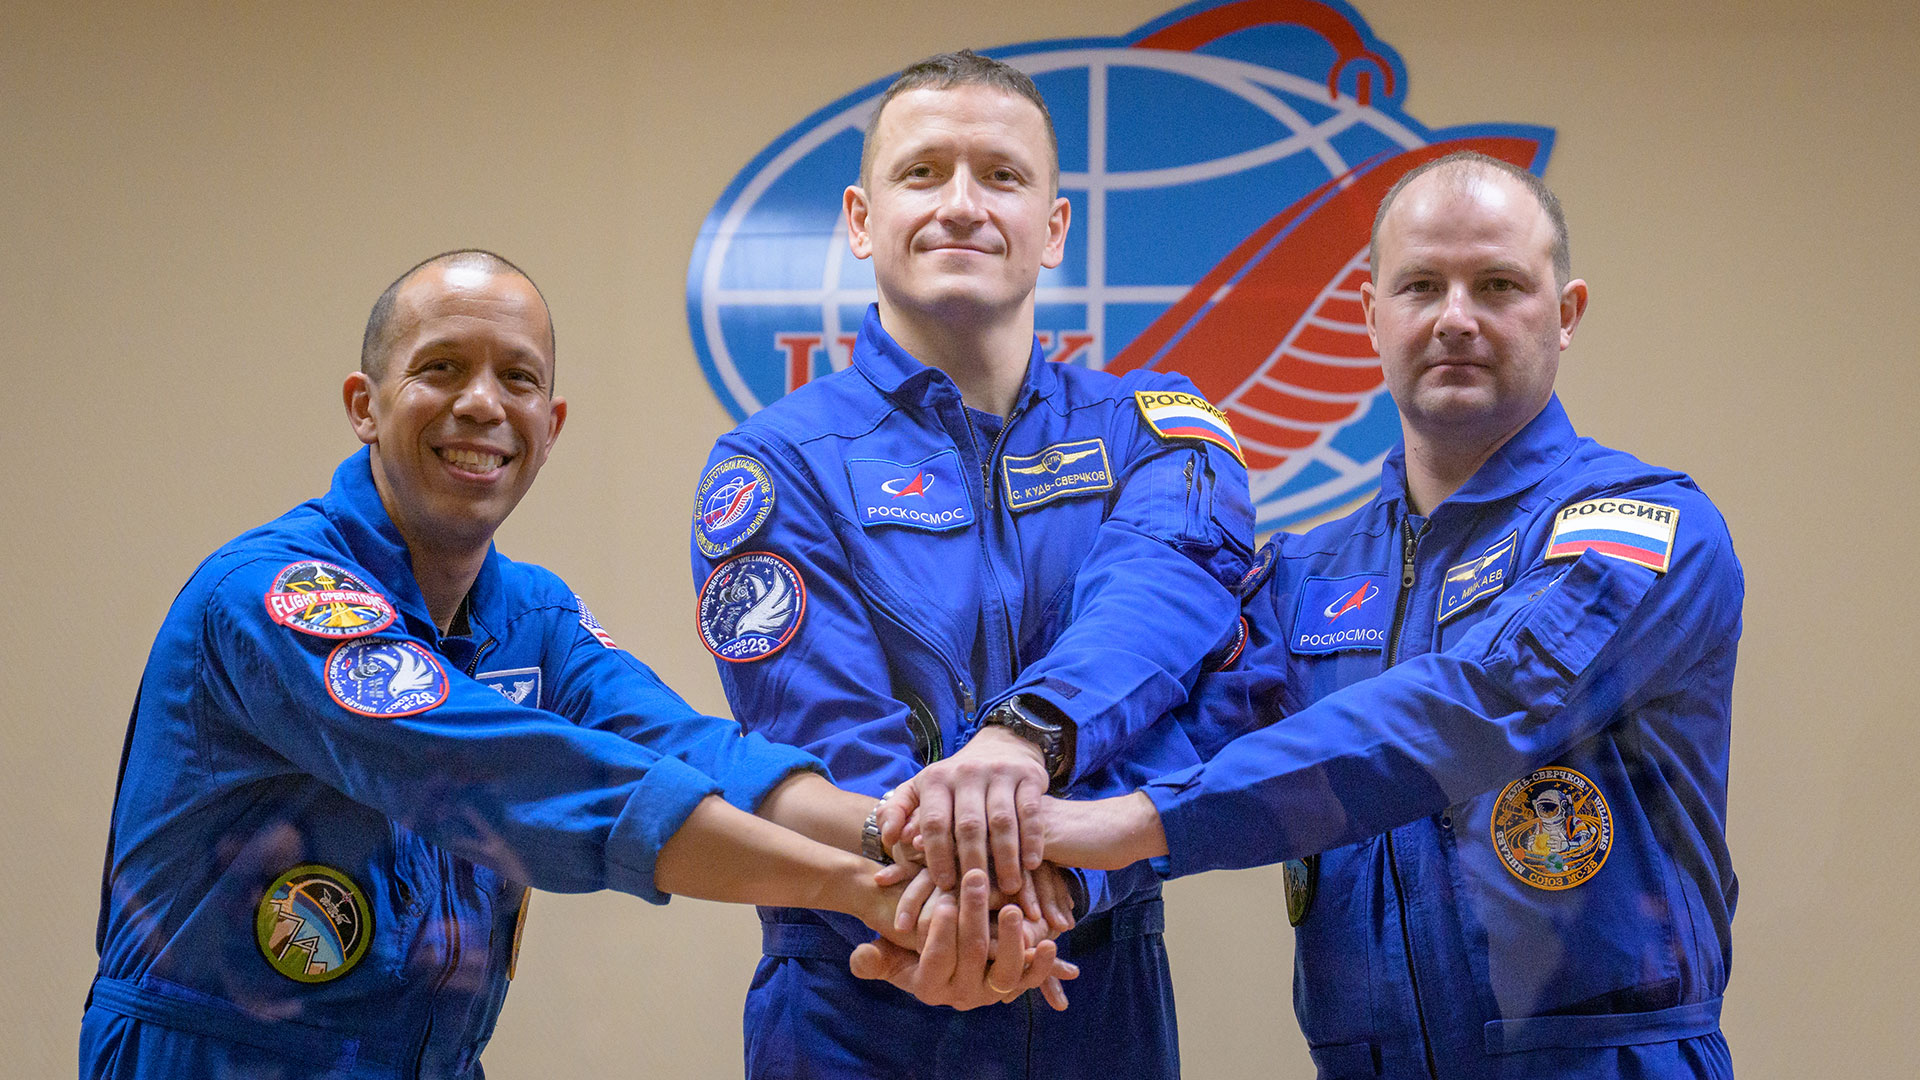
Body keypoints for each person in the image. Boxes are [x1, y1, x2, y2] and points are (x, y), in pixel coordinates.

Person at [80, 250, 1052, 1080]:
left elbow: (690, 747)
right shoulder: (276, 595)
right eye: (442, 367)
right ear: (364, 406)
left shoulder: (531, 614)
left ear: (552, 423)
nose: (480, 403)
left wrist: (896, 834)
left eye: (516, 378)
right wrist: (854, 889)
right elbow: (504, 776)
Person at [947, 153, 1745, 1078]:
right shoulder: (1306, 571)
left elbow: (1475, 705)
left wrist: (1129, 825)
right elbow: (1192, 736)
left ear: (1565, 315)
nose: (1456, 316)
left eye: (1498, 285)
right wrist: (1023, 887)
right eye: (1420, 285)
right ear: (1370, 314)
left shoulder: (1639, 528)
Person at [689, 51, 1253, 1079]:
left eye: (1000, 175)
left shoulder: (1161, 434)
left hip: (1098, 984)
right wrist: (945, 907)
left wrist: (1040, 786)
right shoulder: (773, 463)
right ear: (862, 220)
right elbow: (822, 737)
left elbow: (1187, 663)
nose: (961, 205)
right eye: (923, 173)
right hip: (860, 988)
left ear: (1055, 227)